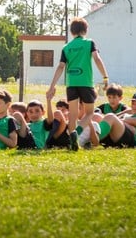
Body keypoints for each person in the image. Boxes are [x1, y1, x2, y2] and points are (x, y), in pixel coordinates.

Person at [47, 17, 109, 151]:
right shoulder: (89, 43)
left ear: (71, 31)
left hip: (71, 84)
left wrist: (52, 86)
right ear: (86, 30)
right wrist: (105, 77)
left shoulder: (66, 47)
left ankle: (72, 143)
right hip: (85, 83)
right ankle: (77, 132)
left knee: (73, 115)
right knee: (90, 112)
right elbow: (97, 59)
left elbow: (60, 67)